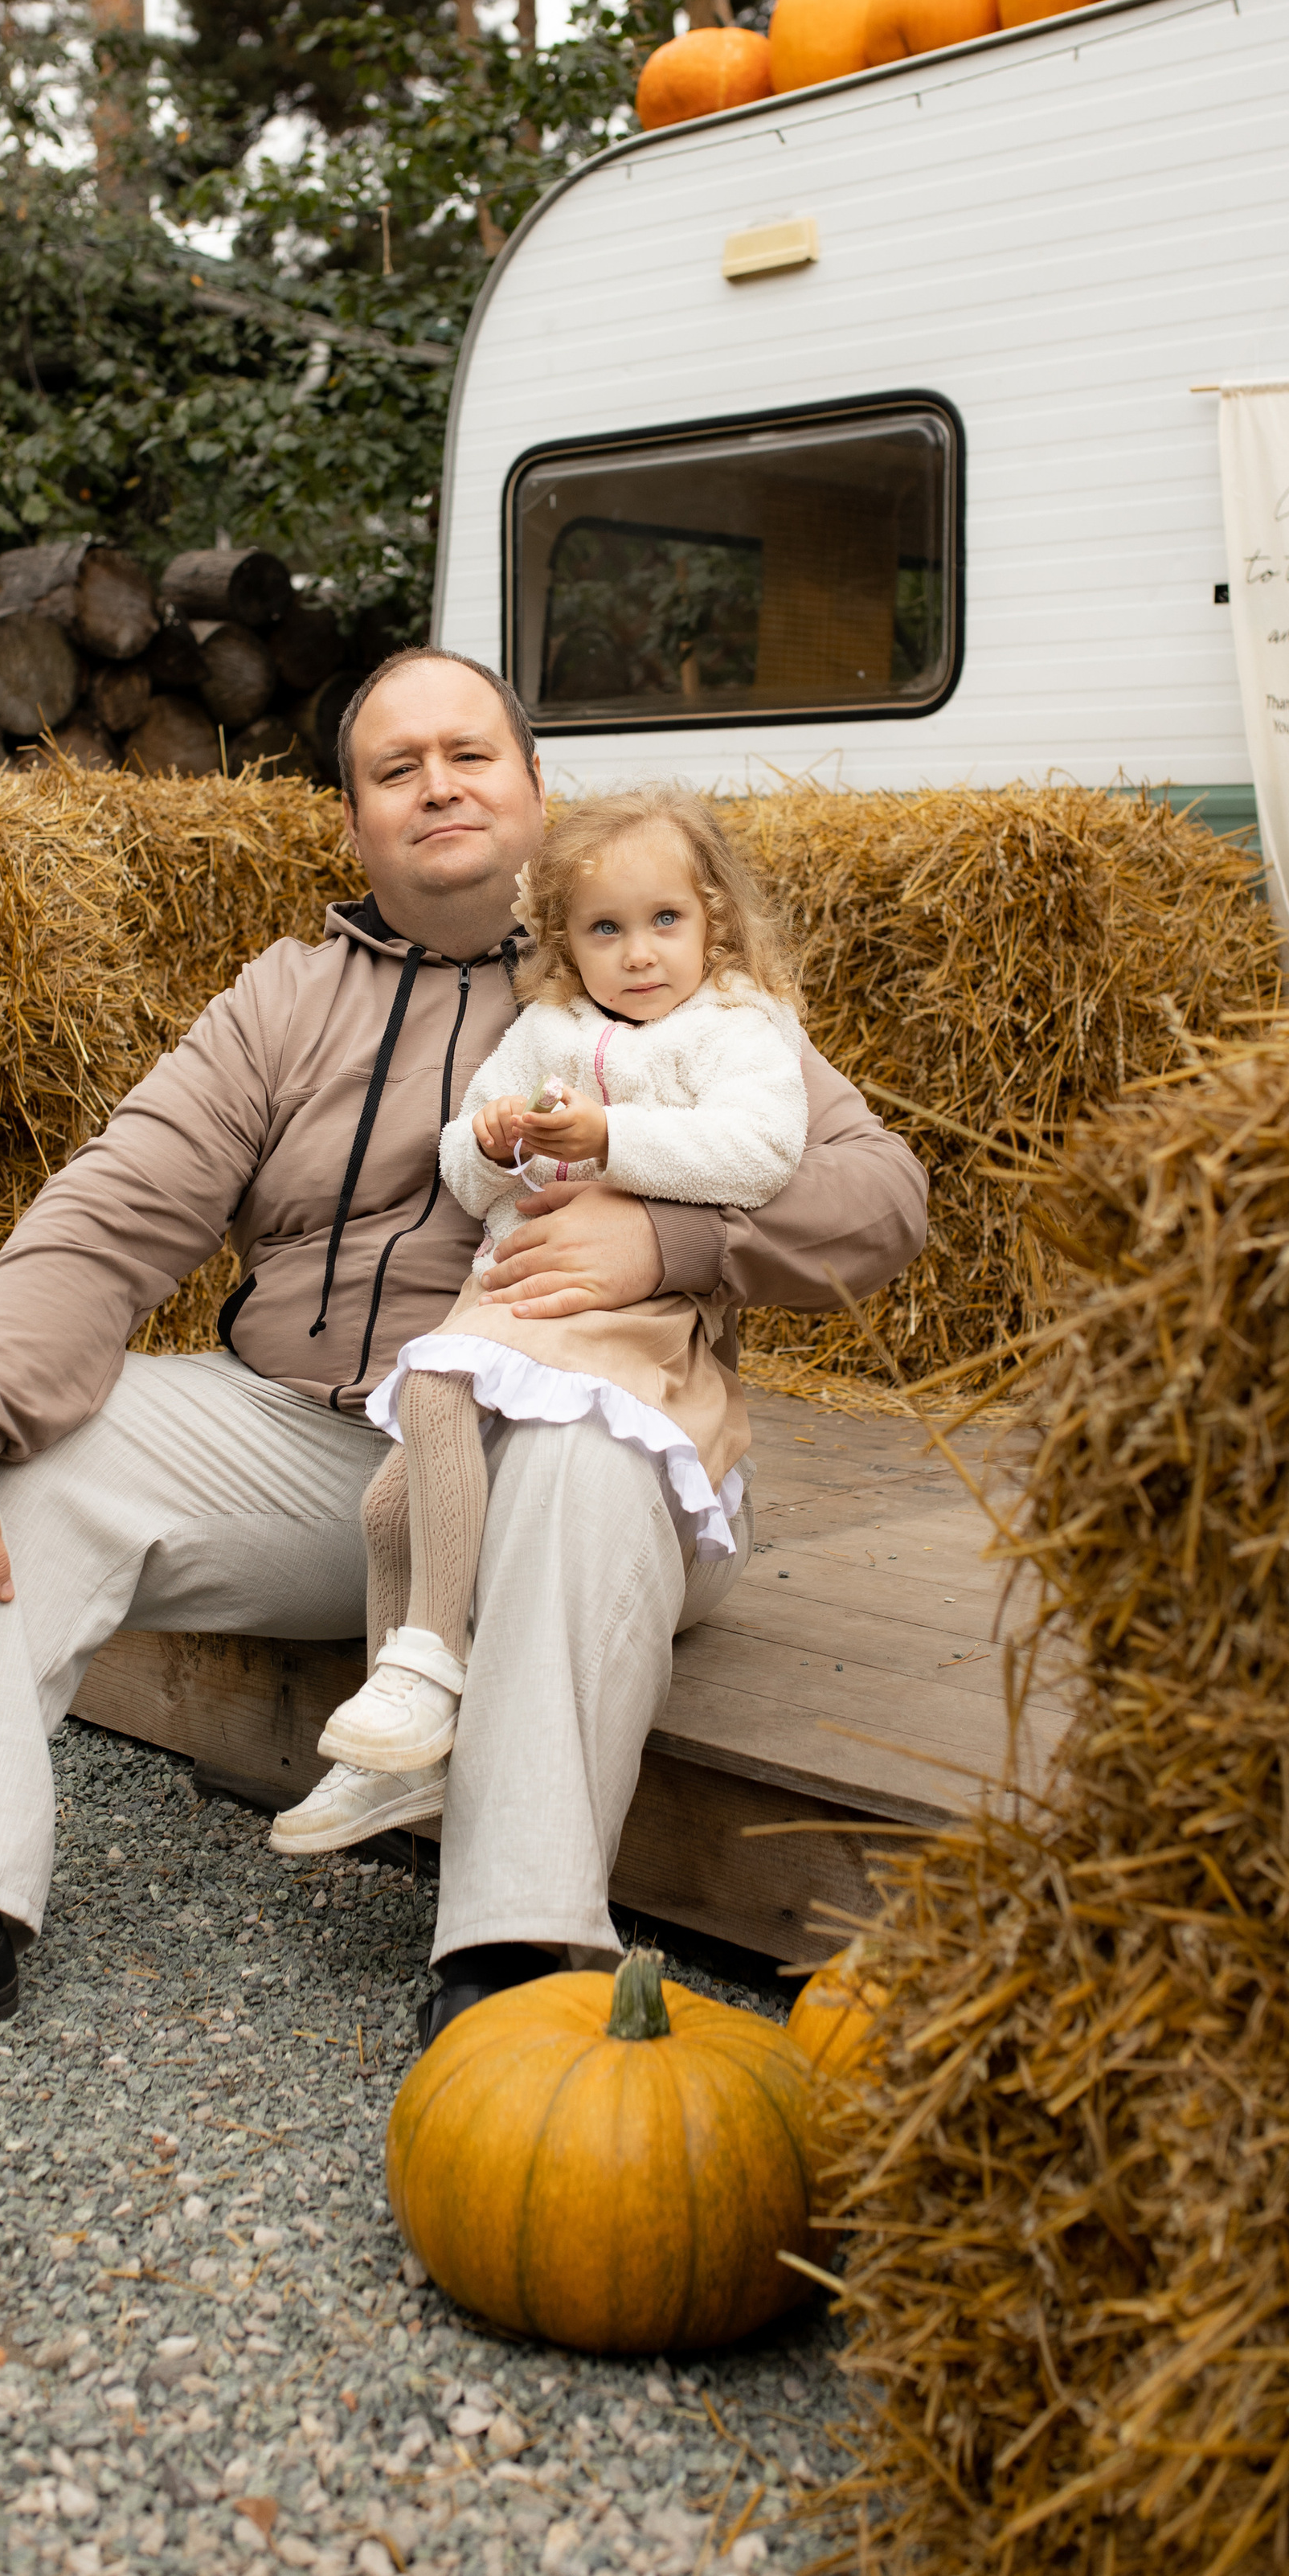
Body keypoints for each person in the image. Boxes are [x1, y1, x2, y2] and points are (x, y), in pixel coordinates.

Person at [0, 649, 926, 2057]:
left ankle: (513, 1962)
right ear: (353, 823)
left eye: (469, 755)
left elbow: (881, 1201)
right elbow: (117, 1205)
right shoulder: (284, 999)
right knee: (29, 1440)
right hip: (326, 1441)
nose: (437, 786)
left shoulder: (646, 975)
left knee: (580, 1453)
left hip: (594, 1443)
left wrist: (671, 1246)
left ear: (534, 789)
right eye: (397, 770)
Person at [282, 786, 811, 1843]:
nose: (640, 952)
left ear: (713, 916)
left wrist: (608, 1136)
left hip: (625, 1306)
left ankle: (431, 1656)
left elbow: (761, 1152)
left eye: (666, 920)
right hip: (514, 1291)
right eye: (605, 930)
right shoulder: (550, 1027)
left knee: (431, 1381)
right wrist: (486, 1142)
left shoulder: (737, 1027)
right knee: (388, 1510)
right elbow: (463, 1171)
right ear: (565, 943)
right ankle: (397, 1750)